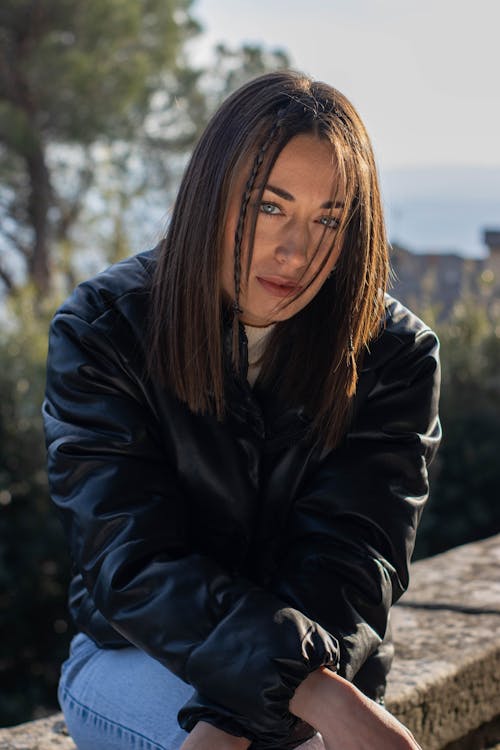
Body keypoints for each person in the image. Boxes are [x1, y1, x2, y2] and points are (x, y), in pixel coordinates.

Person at [42, 70, 441, 750]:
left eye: (329, 219)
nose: (297, 250)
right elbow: (133, 565)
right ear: (213, 197)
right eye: (269, 206)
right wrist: (308, 697)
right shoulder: (103, 329)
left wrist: (233, 719)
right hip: (134, 655)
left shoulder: (393, 355)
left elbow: (353, 561)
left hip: (330, 660)